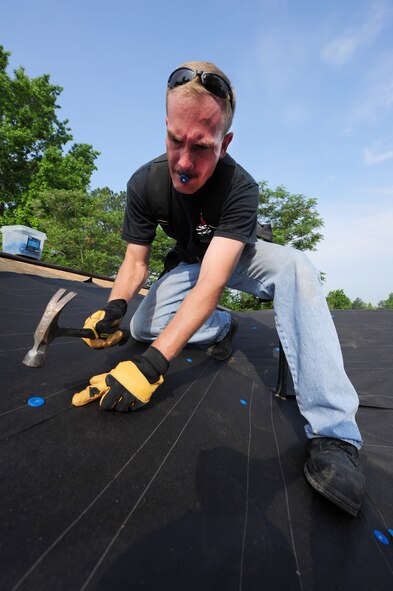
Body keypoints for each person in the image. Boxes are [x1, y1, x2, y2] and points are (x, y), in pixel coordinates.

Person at [73, 61, 365, 517]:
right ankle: (220, 326)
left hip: (240, 256)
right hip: (193, 262)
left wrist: (151, 367)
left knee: (296, 268)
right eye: (175, 141)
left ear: (224, 144)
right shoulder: (144, 183)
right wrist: (114, 308)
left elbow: (216, 279)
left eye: (202, 148)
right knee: (143, 326)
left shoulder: (240, 187)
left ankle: (335, 434)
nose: (184, 163)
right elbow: (135, 262)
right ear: (166, 128)